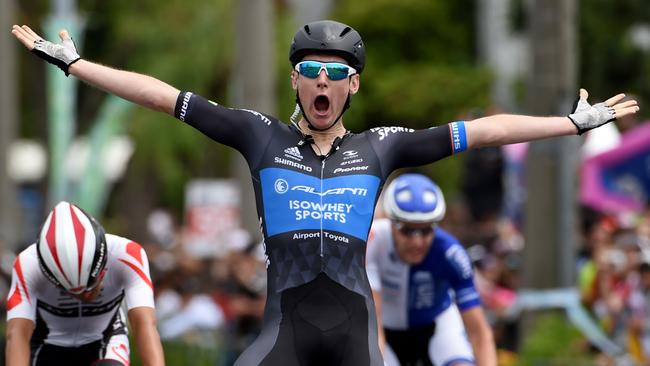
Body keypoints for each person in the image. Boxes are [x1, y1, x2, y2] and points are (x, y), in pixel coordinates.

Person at [11, 19, 639, 366]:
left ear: (352, 88)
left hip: (353, 331)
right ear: (294, 78)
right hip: (281, 329)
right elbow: (160, 93)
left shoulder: (380, 148)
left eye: (336, 73)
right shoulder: (258, 137)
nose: (322, 79)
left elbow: (484, 131)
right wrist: (75, 65)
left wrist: (570, 123)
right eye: (310, 68)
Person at [5, 201, 164, 366]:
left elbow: (144, 324)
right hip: (46, 346)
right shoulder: (28, 264)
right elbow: (17, 333)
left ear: (103, 263)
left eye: (92, 284)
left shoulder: (127, 255)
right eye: (72, 292)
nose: (85, 295)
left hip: (104, 341)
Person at [366, 174, 496, 366]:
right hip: (384, 329)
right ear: (391, 222)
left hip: (437, 325)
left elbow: (479, 333)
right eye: (408, 230)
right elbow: (373, 320)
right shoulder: (373, 240)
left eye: (426, 230)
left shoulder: (451, 253)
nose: (417, 241)